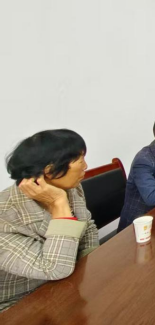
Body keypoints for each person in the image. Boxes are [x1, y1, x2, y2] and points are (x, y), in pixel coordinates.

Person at [0, 129, 98, 311]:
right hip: (18, 305)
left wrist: (91, 267)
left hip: (68, 283)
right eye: (79, 160)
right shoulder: (4, 216)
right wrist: (59, 204)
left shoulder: (71, 188)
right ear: (50, 171)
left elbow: (88, 227)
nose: (85, 166)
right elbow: (54, 268)